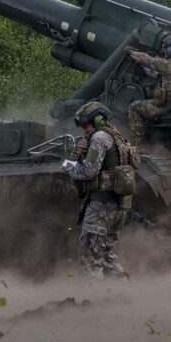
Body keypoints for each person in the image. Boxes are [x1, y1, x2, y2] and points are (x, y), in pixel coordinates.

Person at [62, 101, 136, 279]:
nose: (84, 130)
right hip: (118, 207)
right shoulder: (117, 137)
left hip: (101, 207)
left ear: (96, 121)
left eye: (86, 125)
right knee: (107, 256)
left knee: (90, 258)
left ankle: (93, 301)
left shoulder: (99, 138)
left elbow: (89, 171)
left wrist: (69, 166)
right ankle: (125, 295)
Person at [125, 42, 171, 142]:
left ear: (170, 51)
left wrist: (131, 51)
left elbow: (144, 58)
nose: (163, 51)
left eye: (164, 49)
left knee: (134, 107)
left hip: (168, 106)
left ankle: (138, 145)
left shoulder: (167, 64)